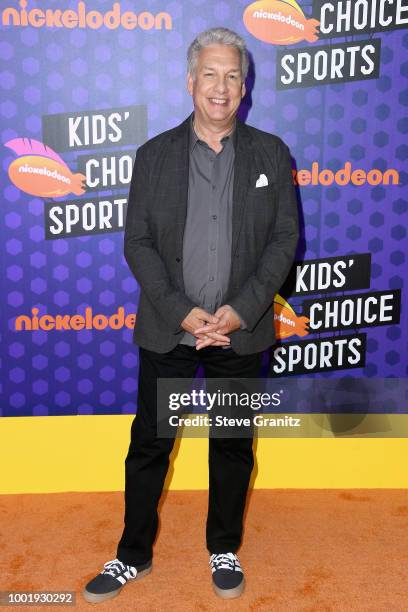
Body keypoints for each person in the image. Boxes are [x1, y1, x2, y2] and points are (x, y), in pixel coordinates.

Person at [83, 27, 299, 603]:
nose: (221, 87)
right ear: (190, 81)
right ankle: (133, 554)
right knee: (151, 445)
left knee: (232, 443)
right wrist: (185, 313)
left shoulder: (271, 154)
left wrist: (240, 311)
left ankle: (223, 547)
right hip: (169, 328)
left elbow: (284, 241)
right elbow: (138, 243)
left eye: (233, 75)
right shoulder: (153, 155)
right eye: (211, 74)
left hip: (240, 332)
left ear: (245, 84)